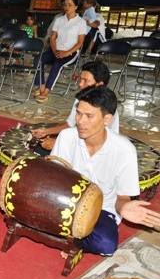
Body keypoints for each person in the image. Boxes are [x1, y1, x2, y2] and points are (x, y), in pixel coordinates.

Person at [51, 86, 160, 256]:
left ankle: (68, 237)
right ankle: (73, 237)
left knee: (106, 244)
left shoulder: (124, 150)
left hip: (100, 208)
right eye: (78, 113)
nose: (80, 121)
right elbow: (55, 178)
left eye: (89, 116)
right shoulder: (66, 137)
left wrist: (124, 208)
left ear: (107, 119)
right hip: (65, 202)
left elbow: (122, 197)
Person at [31, 60, 119, 151]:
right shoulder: (82, 98)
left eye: (86, 81)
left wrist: (58, 142)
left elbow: (93, 138)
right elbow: (70, 124)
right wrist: (45, 132)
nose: (80, 84)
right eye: (81, 79)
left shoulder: (106, 106)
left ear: (100, 84)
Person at [32, 0, 87, 103]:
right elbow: (52, 37)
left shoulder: (80, 22)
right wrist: (54, 50)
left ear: (76, 6)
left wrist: (67, 52)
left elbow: (80, 42)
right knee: (38, 60)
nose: (67, 7)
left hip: (71, 53)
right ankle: (41, 86)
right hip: (56, 50)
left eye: (70, 5)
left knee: (57, 64)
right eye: (65, 5)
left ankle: (46, 91)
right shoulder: (59, 19)